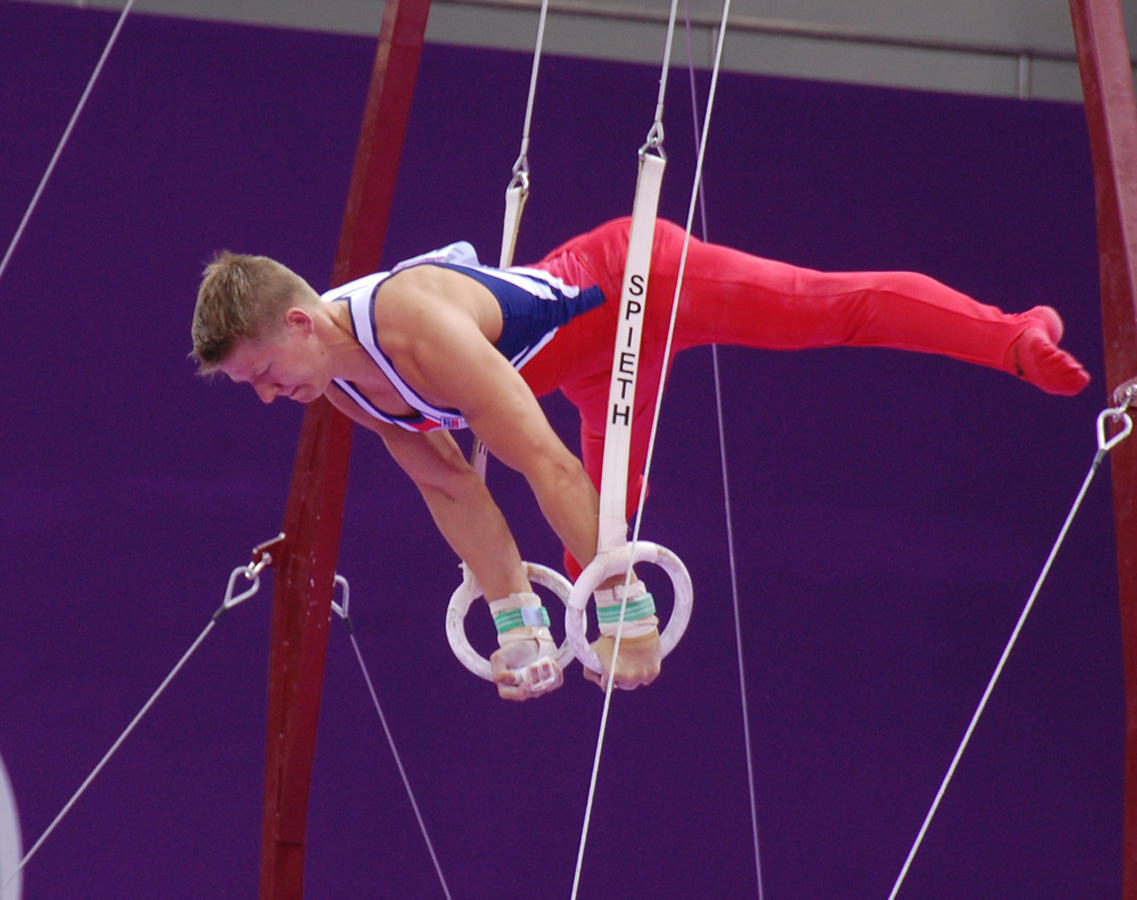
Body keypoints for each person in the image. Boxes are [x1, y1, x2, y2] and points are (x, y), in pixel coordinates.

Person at [191, 217, 1090, 701]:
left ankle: (1013, 336)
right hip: (584, 377)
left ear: (301, 323)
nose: (268, 397)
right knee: (585, 594)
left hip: (631, 289)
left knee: (825, 310)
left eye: (265, 373)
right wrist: (516, 626)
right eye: (251, 388)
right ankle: (592, 615)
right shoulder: (338, 383)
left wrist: (624, 606)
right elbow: (449, 485)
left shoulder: (413, 323)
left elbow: (540, 462)